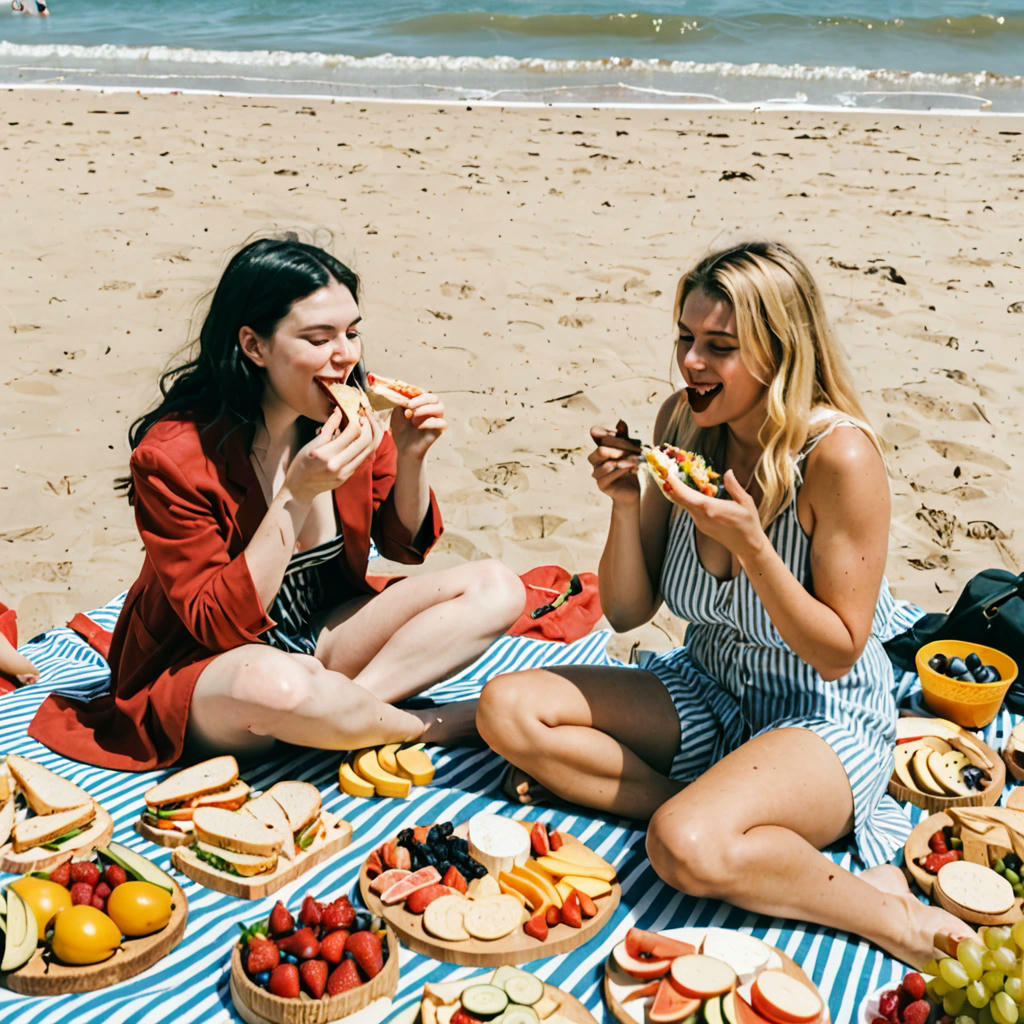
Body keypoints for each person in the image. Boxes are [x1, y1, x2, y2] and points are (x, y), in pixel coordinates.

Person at [477, 241, 973, 968]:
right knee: (505, 707)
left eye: (720, 347)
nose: (691, 364)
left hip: (820, 713)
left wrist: (755, 550)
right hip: (709, 686)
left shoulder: (839, 459)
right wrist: (626, 502)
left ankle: (887, 915)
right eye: (685, 338)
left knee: (686, 847)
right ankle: (699, 804)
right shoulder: (682, 423)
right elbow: (624, 613)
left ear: (780, 350)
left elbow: (840, 647)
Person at [30, 237, 525, 770]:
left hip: (320, 636)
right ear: (254, 346)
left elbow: (403, 547)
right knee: (280, 686)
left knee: (498, 587)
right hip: (213, 668)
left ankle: (349, 715)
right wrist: (297, 494)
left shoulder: (344, 416)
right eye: (319, 338)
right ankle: (430, 726)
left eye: (352, 333)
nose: (347, 355)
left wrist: (411, 456)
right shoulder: (173, 458)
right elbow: (216, 624)